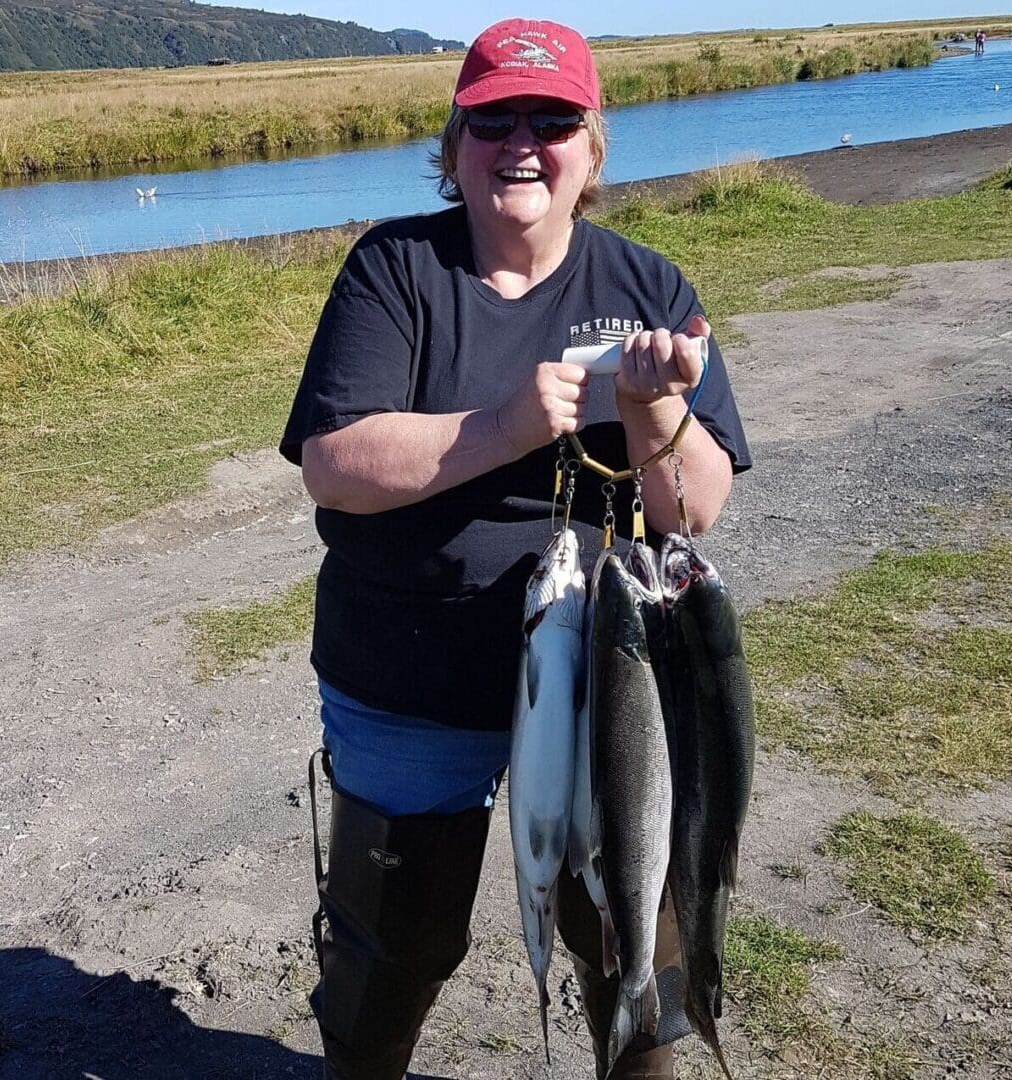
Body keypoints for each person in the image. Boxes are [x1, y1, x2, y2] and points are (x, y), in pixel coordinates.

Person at [280, 16, 750, 1080]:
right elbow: (334, 464)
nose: (522, 143)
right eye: (494, 119)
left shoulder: (650, 288)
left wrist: (652, 413)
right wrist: (504, 425)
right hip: (409, 678)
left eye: (553, 120)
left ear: (594, 147)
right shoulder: (393, 270)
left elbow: (694, 509)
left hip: (610, 685)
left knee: (635, 926)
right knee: (391, 947)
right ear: (453, 145)